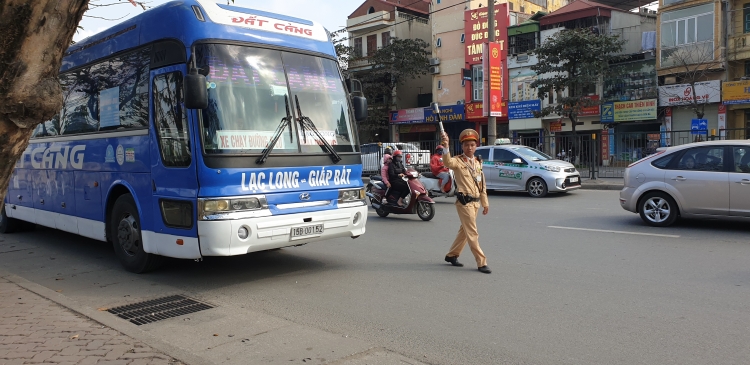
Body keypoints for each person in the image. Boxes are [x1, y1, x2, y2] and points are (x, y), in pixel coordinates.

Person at [440, 129, 491, 274]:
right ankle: (481, 262)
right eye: (467, 145)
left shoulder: (478, 162)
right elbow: (447, 162)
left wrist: (485, 202)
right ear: (462, 146)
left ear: (476, 146)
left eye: (472, 145)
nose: (470, 147)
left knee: (465, 231)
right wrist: (446, 146)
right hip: (464, 203)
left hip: (475, 203)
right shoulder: (457, 161)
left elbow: (482, 184)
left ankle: (452, 255)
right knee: (473, 233)